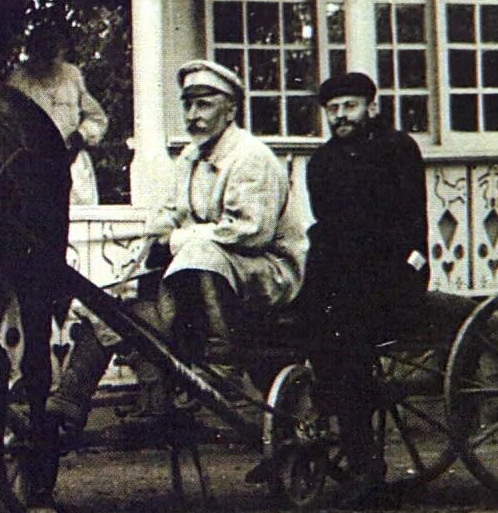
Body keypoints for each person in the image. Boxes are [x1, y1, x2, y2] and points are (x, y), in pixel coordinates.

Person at [49, 58, 308, 432]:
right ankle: (70, 400)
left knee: (197, 251)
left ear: (230, 108)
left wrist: (179, 239)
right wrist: (150, 237)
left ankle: (223, 362)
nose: (193, 115)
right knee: (111, 302)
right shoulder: (191, 157)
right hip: (203, 277)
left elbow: (251, 231)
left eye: (204, 104)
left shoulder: (252, 157)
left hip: (265, 273)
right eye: (188, 104)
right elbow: (171, 213)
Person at [299, 71, 430, 509]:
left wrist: (398, 267)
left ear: (371, 107)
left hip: (393, 273)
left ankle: (367, 470)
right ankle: (311, 441)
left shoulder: (397, 150)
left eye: (350, 106)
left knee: (349, 345)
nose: (341, 116)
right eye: (333, 110)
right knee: (313, 338)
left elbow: (410, 221)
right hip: (343, 277)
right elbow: (329, 228)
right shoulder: (322, 164)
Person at [8, 37, 108, 205]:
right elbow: (7, 122)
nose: (48, 62)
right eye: (42, 54)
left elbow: (97, 118)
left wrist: (81, 134)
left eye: (52, 55)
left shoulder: (71, 75)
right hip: (35, 166)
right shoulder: (19, 80)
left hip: (72, 162)